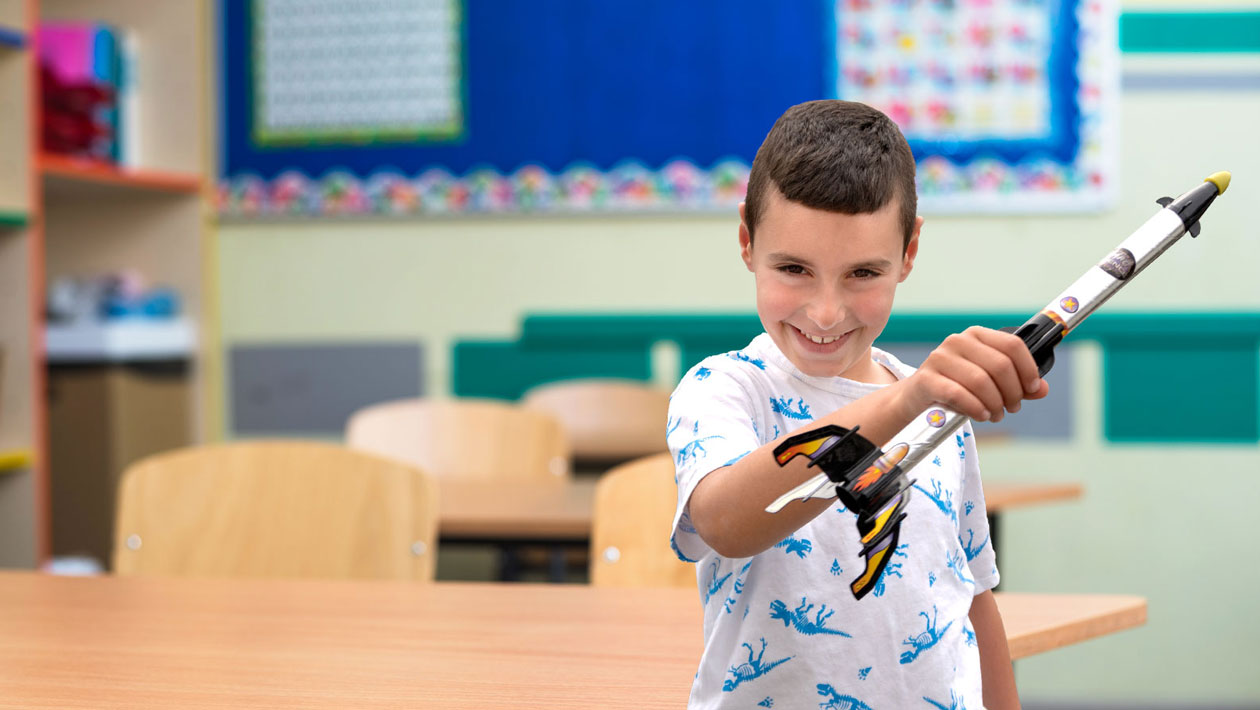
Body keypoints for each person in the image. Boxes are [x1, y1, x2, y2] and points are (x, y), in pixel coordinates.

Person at [666, 100, 1046, 709]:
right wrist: (906, 401)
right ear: (746, 240)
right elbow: (724, 523)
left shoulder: (934, 405)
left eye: (863, 273)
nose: (824, 312)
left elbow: (971, 592)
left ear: (909, 250)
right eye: (793, 268)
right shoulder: (724, 389)